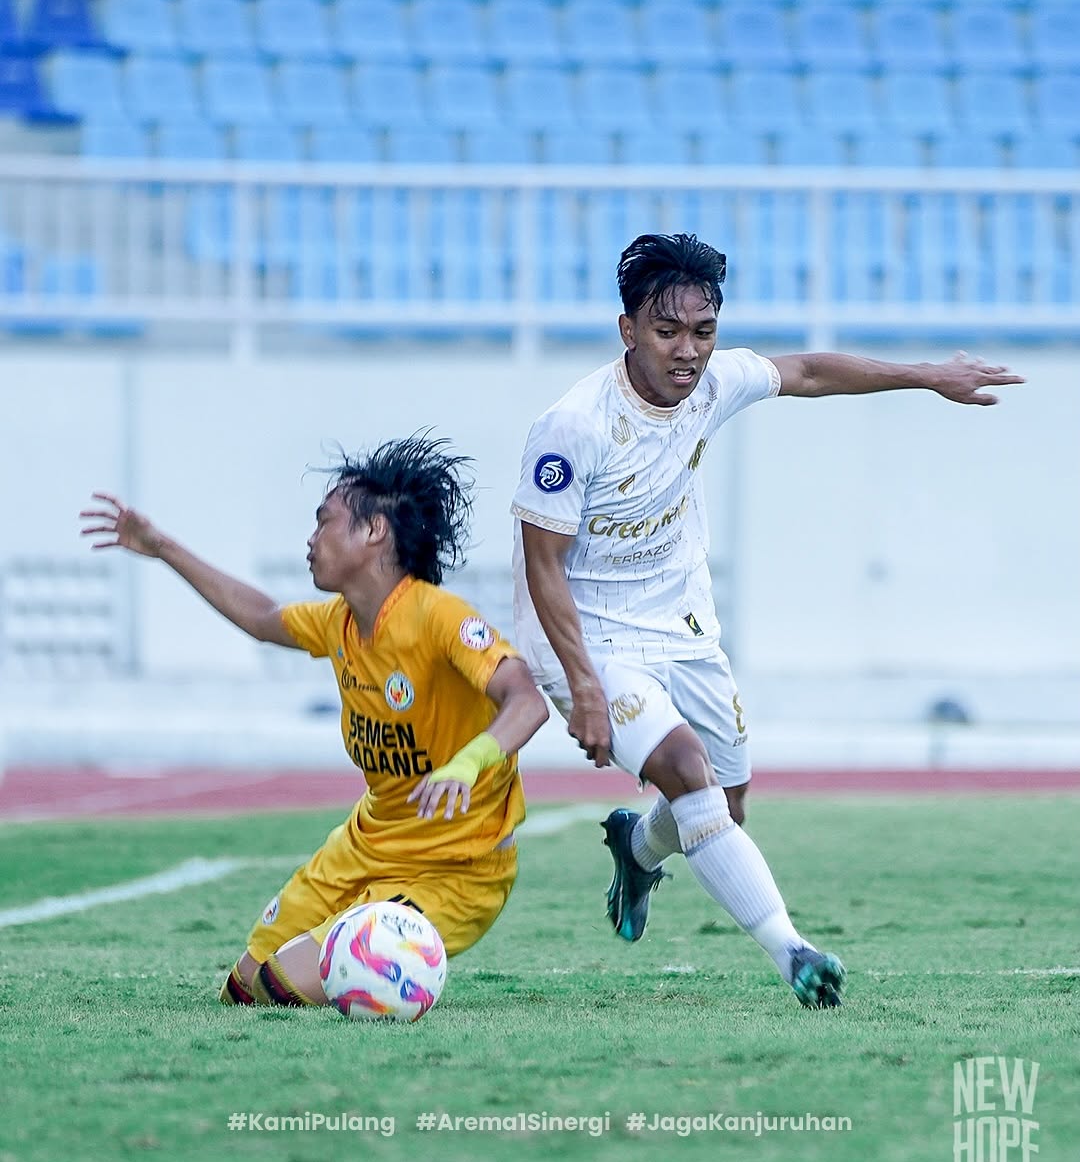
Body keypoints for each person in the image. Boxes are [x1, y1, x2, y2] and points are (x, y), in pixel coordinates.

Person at [511, 233, 1023, 1008]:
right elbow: (542, 565)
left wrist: (928, 376)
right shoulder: (572, 427)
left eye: (703, 331)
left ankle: (637, 848)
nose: (688, 351)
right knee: (687, 770)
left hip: (681, 624)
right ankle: (795, 954)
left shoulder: (714, 382)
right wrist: (583, 686)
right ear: (627, 330)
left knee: (727, 802)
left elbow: (810, 371)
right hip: (587, 634)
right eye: (667, 331)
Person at [81, 434, 548, 1008]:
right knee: (244, 988)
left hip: (455, 868)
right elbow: (263, 617)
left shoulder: (439, 618)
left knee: (282, 986)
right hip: (362, 847)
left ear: (374, 531)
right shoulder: (339, 622)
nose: (311, 538)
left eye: (324, 521)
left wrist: (466, 764)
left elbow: (526, 700)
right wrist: (161, 547)